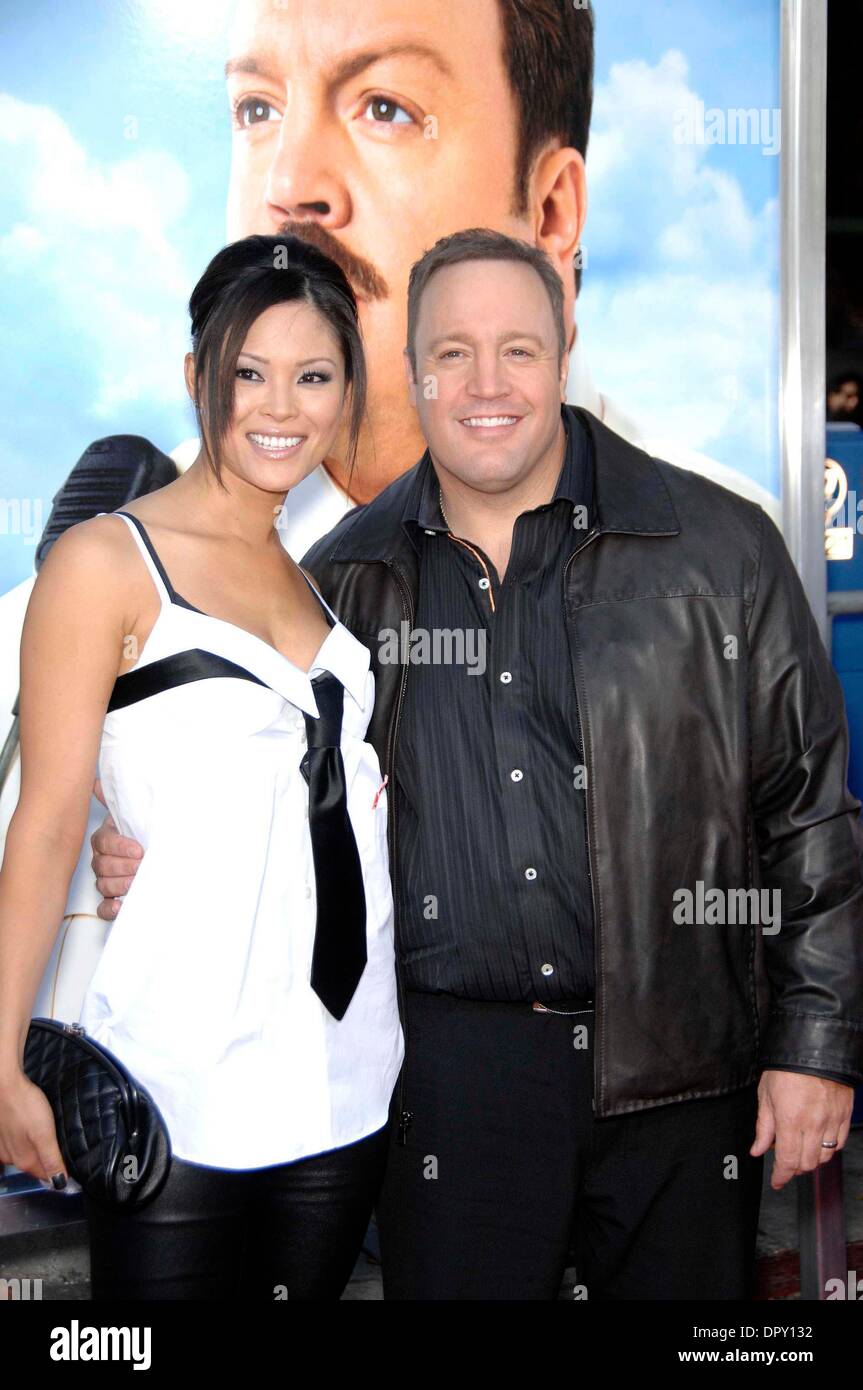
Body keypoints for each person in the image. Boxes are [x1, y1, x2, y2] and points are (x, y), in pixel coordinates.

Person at [97, 229, 863, 1301]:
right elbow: (291, 806)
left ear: (566, 351)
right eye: (450, 352)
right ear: (411, 370)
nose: (484, 383)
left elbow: (808, 816)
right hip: (449, 1090)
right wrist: (166, 849)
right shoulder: (344, 582)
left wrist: (814, 1044)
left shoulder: (717, 549)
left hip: (680, 1073)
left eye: (517, 348)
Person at [0, 2, 782, 1000]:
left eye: (383, 107)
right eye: (255, 109)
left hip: (605, 1112)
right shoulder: (105, 585)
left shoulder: (705, 546)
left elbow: (781, 845)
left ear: (548, 215)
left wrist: (807, 1058)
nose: (291, 188)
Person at [0, 233, 404, 1300]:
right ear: (195, 377)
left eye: (314, 375)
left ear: (346, 390)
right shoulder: (105, 565)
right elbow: (43, 825)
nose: (281, 406)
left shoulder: (324, 578)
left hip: (348, 1078)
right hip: (178, 1086)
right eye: (247, 373)